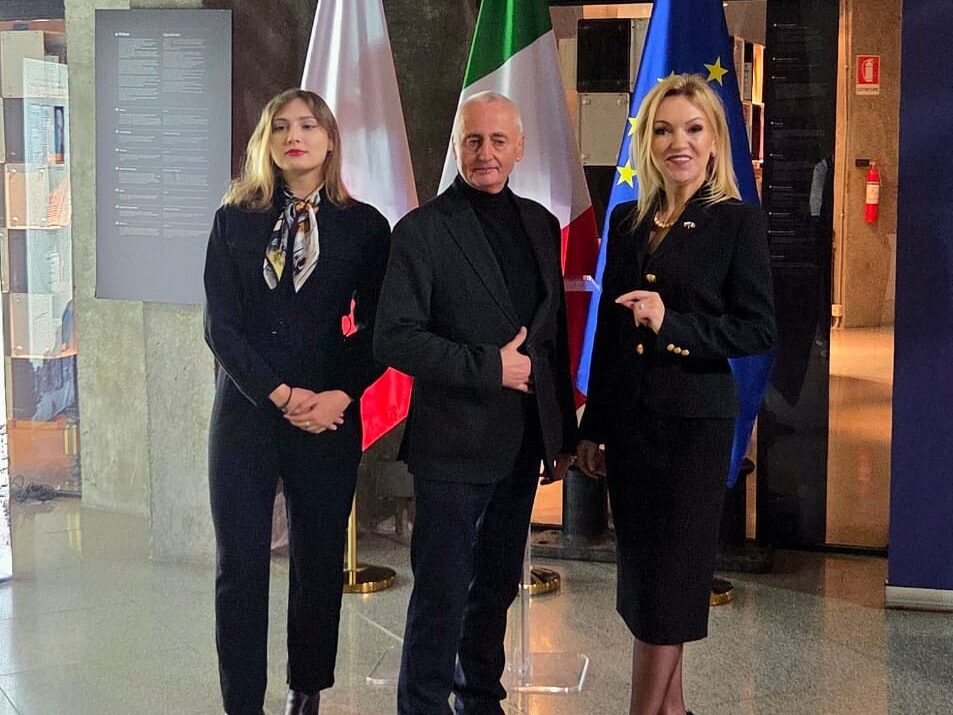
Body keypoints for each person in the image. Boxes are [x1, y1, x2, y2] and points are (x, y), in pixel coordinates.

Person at [576, 74, 776, 715]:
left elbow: (757, 329)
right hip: (631, 428)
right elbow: (611, 335)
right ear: (647, 141)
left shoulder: (736, 222)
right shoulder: (628, 220)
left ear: (714, 140)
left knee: (673, 577)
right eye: (662, 130)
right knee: (644, 577)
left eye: (692, 129)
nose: (677, 143)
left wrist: (673, 325)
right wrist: (594, 426)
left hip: (693, 428)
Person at [374, 91, 577, 715]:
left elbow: (551, 338)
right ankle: (423, 706)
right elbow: (394, 337)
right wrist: (490, 367)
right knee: (441, 595)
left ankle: (481, 701)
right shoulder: (421, 230)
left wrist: (561, 436)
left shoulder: (541, 224)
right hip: (452, 446)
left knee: (494, 591)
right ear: (458, 147)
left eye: (497, 141)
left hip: (520, 445)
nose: (485, 153)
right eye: (473, 140)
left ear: (519, 148)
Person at [203, 89, 390, 715]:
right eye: (280, 126)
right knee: (240, 565)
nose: (294, 137)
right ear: (267, 142)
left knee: (317, 560)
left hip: (327, 414)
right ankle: (242, 702)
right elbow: (220, 326)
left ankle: (305, 689)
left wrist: (341, 393)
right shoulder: (234, 219)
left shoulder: (365, 226)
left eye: (308, 125)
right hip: (247, 411)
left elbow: (380, 328)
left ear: (330, 140)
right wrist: (279, 395)